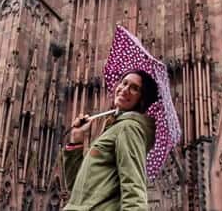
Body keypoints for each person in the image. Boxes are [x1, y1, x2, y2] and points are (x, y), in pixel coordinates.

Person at [62, 70, 158, 210]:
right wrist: (77, 139)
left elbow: (134, 187)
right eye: (124, 83)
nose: (125, 89)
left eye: (134, 88)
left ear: (142, 99)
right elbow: (76, 187)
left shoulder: (128, 128)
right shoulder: (114, 128)